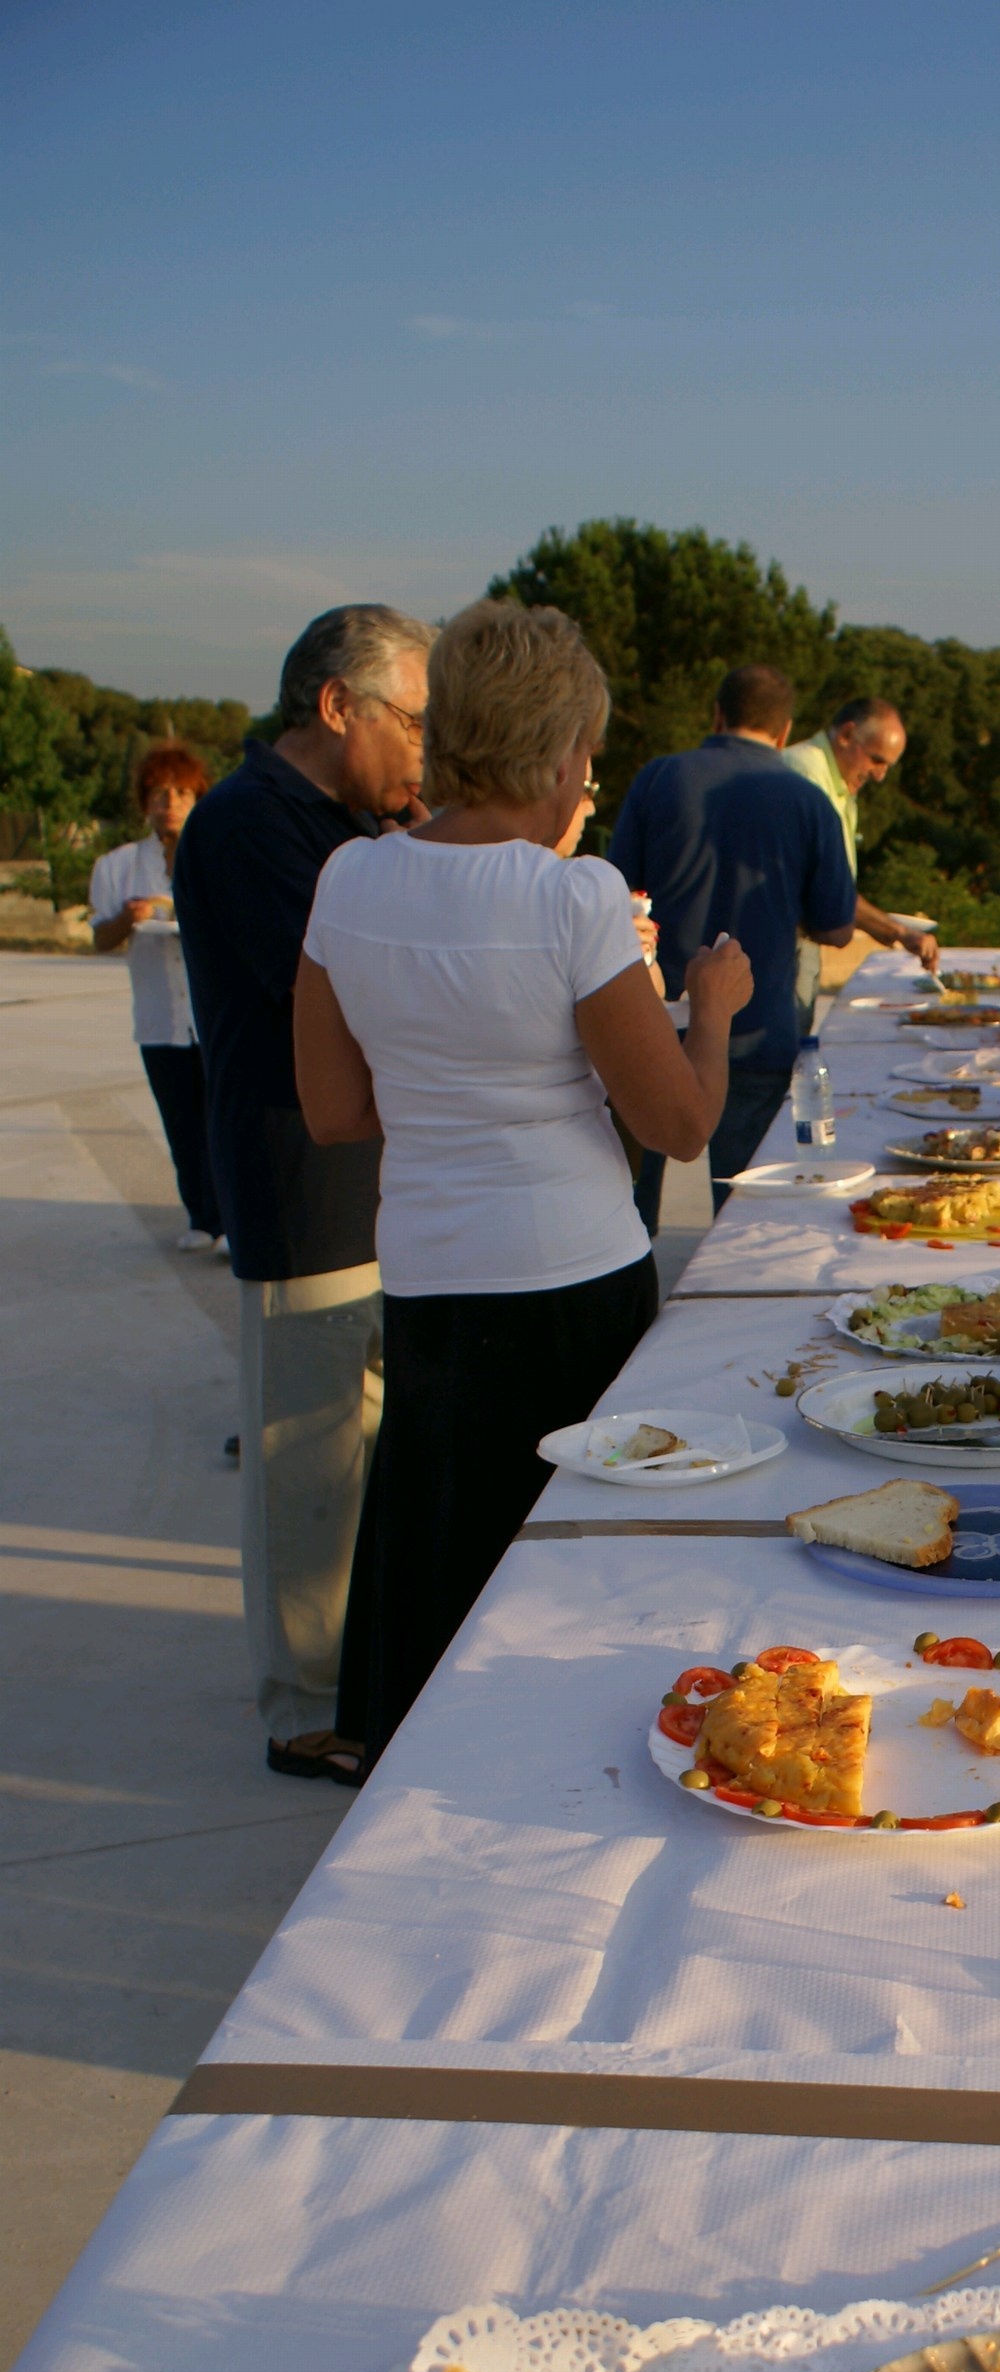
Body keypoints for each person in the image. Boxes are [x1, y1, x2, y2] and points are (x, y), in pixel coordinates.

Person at [294, 599, 752, 1773]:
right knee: (570, 1559)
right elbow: (680, 1124)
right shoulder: (572, 897)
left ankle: (415, 1764)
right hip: (568, 1274)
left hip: (432, 1268)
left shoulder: (350, 878)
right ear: (559, 754)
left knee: (440, 1539)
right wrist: (710, 1010)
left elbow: (334, 1109)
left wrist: (450, 1090)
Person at [173, 601, 434, 1785]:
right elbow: (346, 989)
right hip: (300, 1179)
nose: (423, 752)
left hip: (363, 1177)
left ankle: (354, 1677)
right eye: (412, 722)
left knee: (358, 1445)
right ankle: (306, 1709)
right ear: (338, 706)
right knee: (306, 1460)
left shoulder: (338, 825)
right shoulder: (249, 823)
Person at [609, 664, 856, 1204]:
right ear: (784, 732)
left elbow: (615, 893)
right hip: (756, 1030)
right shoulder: (808, 800)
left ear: (717, 714)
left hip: (653, 1025)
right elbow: (838, 928)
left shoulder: (658, 778)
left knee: (625, 1210)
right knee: (744, 1212)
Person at [90, 742, 223, 1251]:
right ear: (144, 802)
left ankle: (233, 1224)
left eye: (182, 794)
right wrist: (129, 917)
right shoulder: (119, 866)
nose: (171, 804)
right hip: (159, 1020)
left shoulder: (215, 855)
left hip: (213, 1016)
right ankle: (201, 1220)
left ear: (198, 800)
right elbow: (101, 937)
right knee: (181, 1123)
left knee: (223, 1121)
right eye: (160, 794)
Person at [783, 698, 938, 1002]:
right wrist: (897, 931)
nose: (880, 775)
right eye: (876, 760)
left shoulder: (836, 779)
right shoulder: (807, 774)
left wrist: (895, 932)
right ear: (846, 735)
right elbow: (825, 886)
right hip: (781, 943)